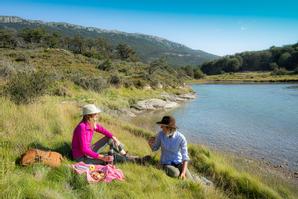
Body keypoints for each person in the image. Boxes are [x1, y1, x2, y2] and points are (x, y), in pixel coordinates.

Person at [148, 116, 193, 180]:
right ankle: (161, 166)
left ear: (169, 128)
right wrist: (150, 144)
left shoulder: (181, 138)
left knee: (190, 179)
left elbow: (185, 157)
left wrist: (183, 172)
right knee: (175, 173)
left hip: (179, 163)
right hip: (166, 163)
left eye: (162, 126)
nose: (161, 127)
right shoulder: (160, 135)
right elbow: (154, 148)